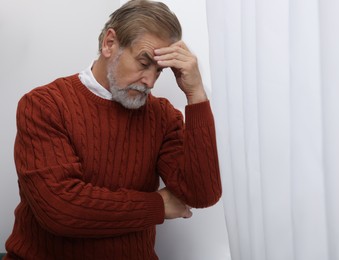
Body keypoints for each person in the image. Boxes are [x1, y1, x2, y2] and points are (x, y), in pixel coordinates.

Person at [4, 0, 222, 259]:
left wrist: (196, 94)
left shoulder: (162, 116)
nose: (150, 81)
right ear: (109, 43)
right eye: (143, 62)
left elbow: (200, 194)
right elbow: (61, 210)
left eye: (159, 71)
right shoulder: (45, 105)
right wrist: (158, 205)